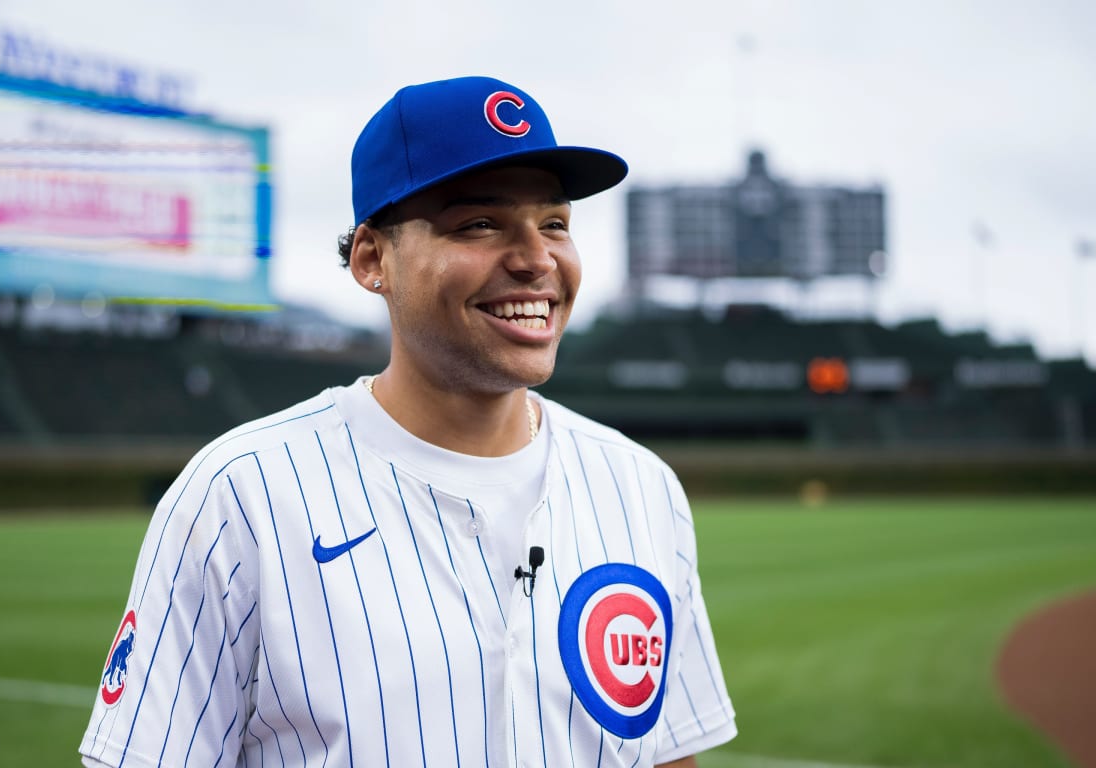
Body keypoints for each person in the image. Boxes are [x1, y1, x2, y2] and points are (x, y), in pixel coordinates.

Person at [79, 76, 738, 768]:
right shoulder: (238, 495)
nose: (537, 259)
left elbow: (666, 754)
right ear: (372, 259)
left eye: (554, 223)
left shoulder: (642, 486)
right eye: (478, 224)